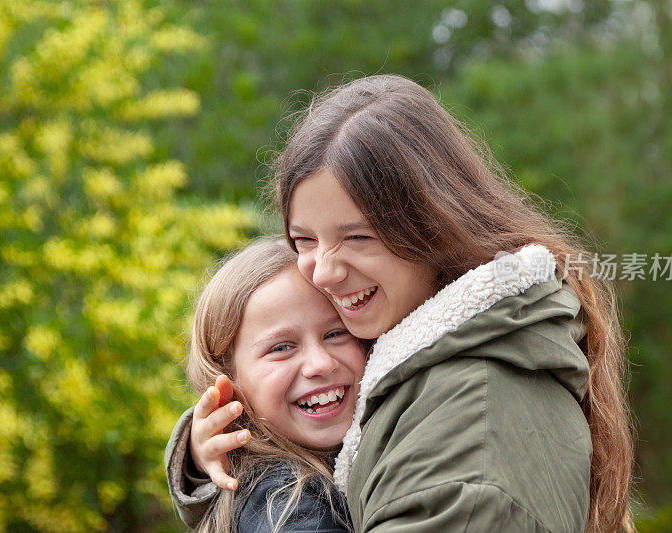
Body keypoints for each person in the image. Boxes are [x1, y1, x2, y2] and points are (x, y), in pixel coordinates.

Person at [172, 75, 634, 532]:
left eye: (358, 236)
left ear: (435, 223)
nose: (323, 271)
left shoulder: (471, 427)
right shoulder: (404, 353)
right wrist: (213, 453)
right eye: (303, 239)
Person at [166, 237, 366, 532]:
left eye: (336, 333)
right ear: (227, 382)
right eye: (282, 348)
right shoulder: (284, 501)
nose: (320, 364)